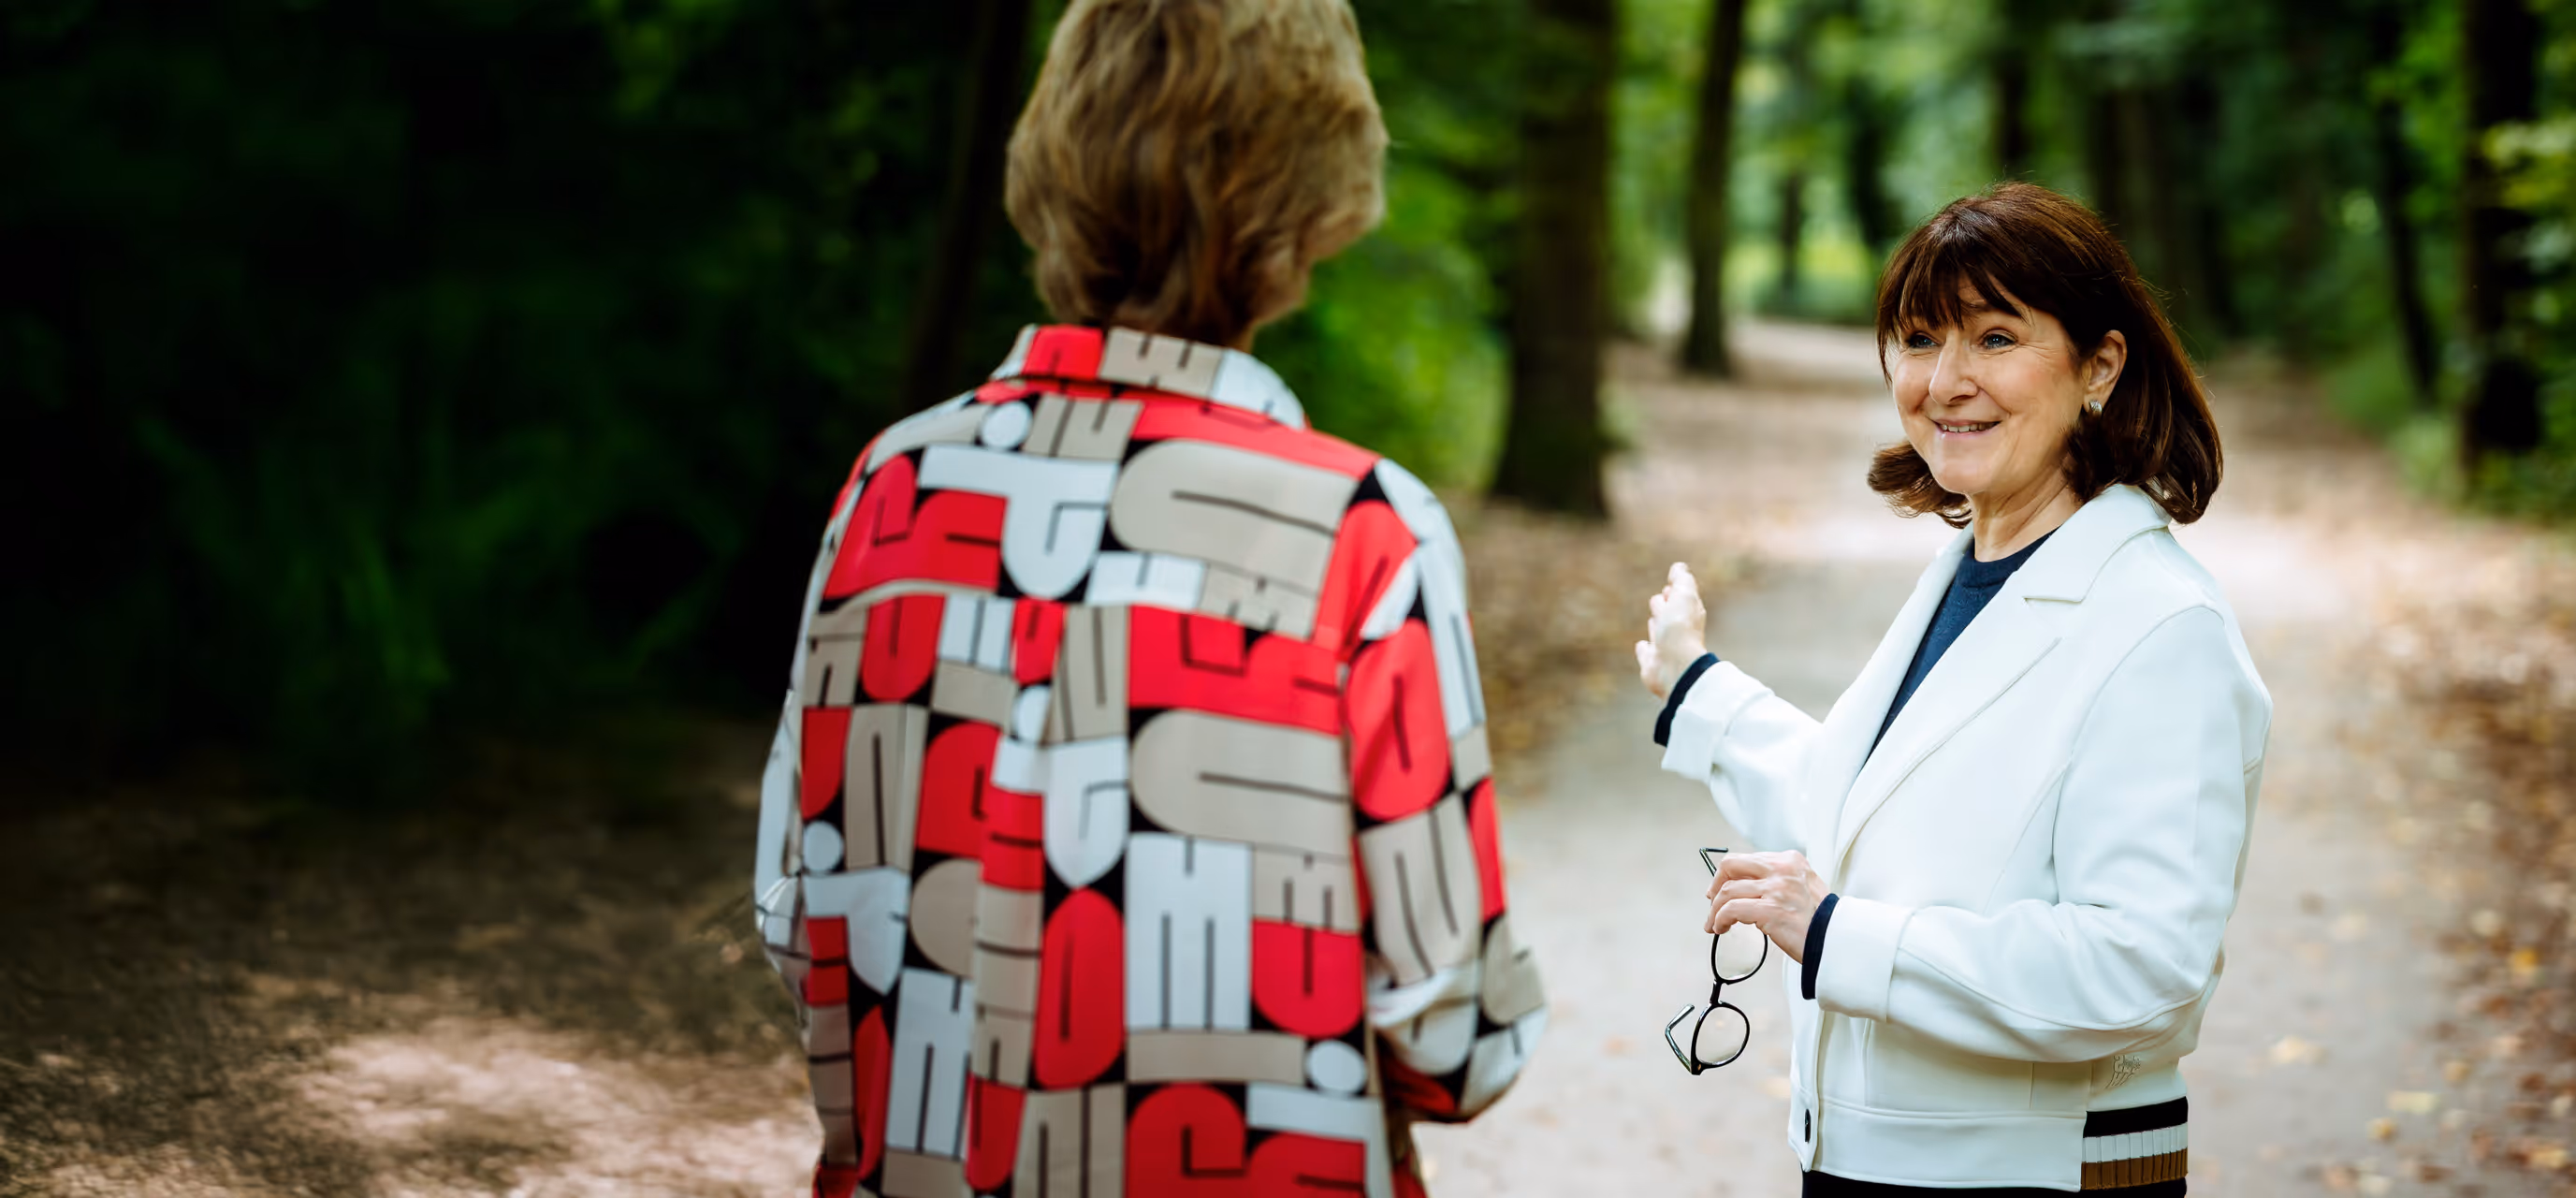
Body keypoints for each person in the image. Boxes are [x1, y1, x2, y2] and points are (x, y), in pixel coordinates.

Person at [749, 3, 1544, 1196]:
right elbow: (1454, 1029)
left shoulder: (893, 484)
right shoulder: (1362, 535)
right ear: (1315, 196)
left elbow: (795, 911)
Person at [1636, 182, 2269, 1195]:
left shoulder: (2160, 627)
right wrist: (1697, 692)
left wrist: (1841, 934)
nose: (1945, 379)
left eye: (1995, 338)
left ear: (2098, 364)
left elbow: (2140, 967)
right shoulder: (1972, 568)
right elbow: (1876, 823)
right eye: (1921, 338)